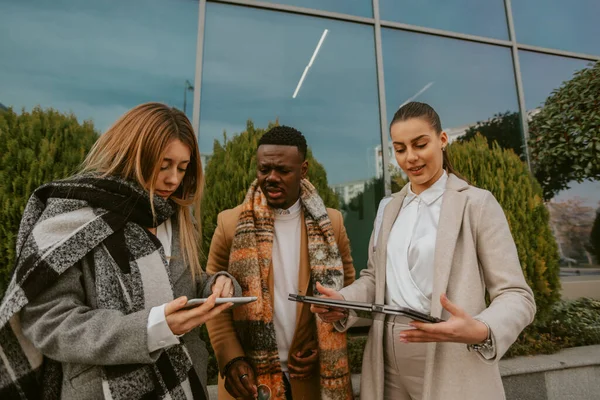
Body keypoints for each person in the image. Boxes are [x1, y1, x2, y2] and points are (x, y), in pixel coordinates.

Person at [0, 102, 240, 400]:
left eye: (182, 167)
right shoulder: (74, 216)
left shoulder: (176, 215)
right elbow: (48, 322)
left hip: (183, 386)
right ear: (132, 154)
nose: (173, 179)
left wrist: (213, 284)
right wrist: (151, 329)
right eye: (163, 165)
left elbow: (176, 284)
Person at [312, 102, 536, 400]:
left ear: (442, 140)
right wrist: (343, 300)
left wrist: (482, 328)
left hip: (451, 354)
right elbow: (375, 278)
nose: (410, 158)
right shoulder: (387, 208)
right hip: (385, 355)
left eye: (420, 144)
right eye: (400, 148)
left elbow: (517, 295)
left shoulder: (476, 204)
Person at [205, 126, 356, 400]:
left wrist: (321, 347)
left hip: (311, 379)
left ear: (304, 169)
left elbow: (349, 294)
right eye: (264, 170)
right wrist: (231, 360)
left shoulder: (331, 223)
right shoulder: (229, 224)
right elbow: (213, 302)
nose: (271, 178)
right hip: (248, 381)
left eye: (283, 171)